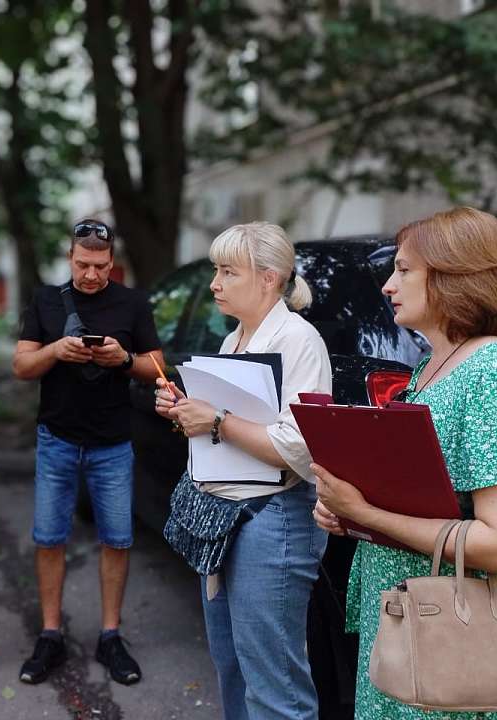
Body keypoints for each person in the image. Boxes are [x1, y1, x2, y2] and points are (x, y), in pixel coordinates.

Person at [311, 206, 497, 720]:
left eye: (404, 270)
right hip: (408, 634)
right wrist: (349, 514)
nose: (387, 286)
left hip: (457, 651)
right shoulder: (430, 367)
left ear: (456, 276)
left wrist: (368, 513)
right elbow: (426, 499)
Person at [155, 221, 333, 720]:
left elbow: (300, 446)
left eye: (228, 271)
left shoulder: (298, 340)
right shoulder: (235, 337)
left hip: (272, 518)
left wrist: (215, 419)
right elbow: (230, 431)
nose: (215, 283)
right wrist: (187, 412)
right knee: (232, 667)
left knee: (275, 686)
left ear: (268, 278)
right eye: (217, 270)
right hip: (226, 517)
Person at [12, 219, 164, 686]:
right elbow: (21, 365)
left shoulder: (132, 302)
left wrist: (123, 358)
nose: (92, 275)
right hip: (57, 439)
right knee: (48, 537)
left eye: (100, 266)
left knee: (116, 539)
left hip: (113, 443)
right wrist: (57, 350)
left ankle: (110, 635)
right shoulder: (45, 299)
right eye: (83, 265)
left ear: (111, 261)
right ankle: (51, 635)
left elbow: (158, 368)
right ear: (70, 259)